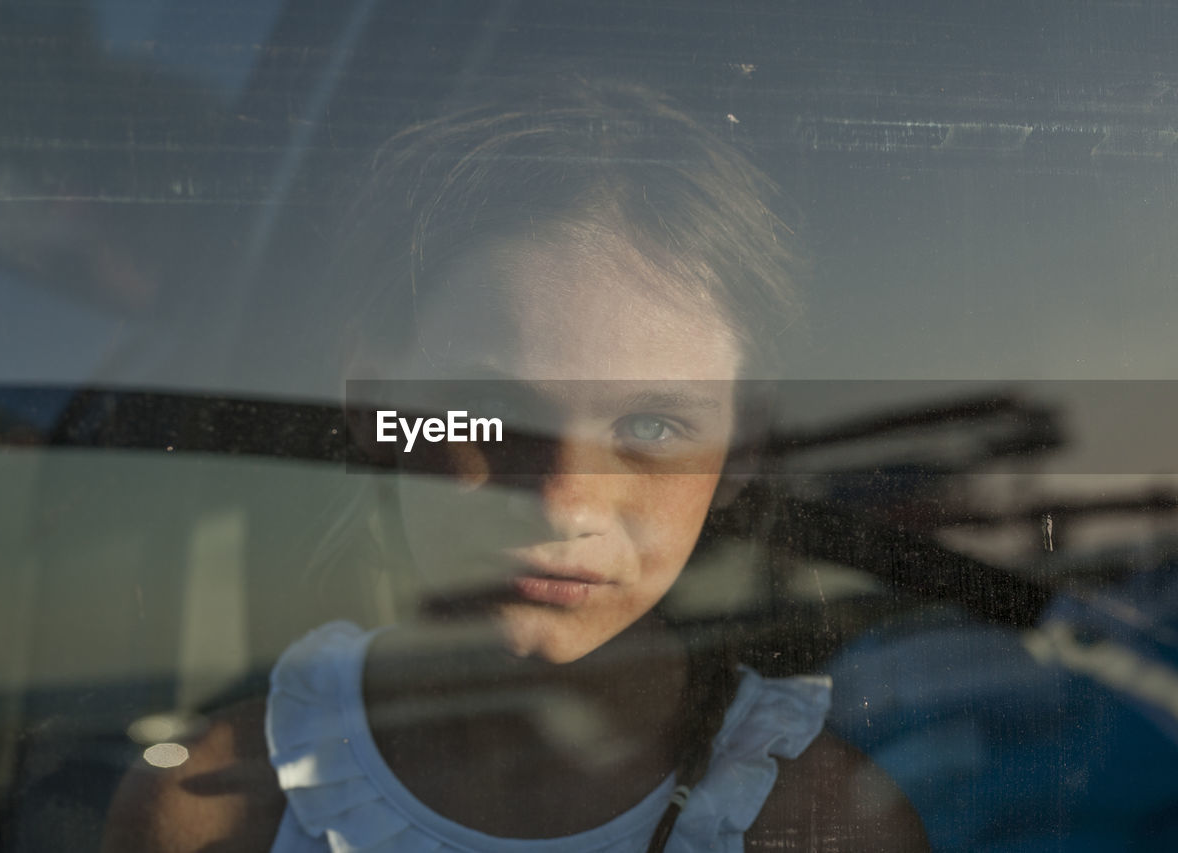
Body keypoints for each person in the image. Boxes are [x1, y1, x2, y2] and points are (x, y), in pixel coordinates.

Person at [101, 77, 930, 852]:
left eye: (652, 423)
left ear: (742, 448)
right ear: (373, 405)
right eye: (496, 415)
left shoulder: (816, 824)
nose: (564, 502)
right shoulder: (215, 810)